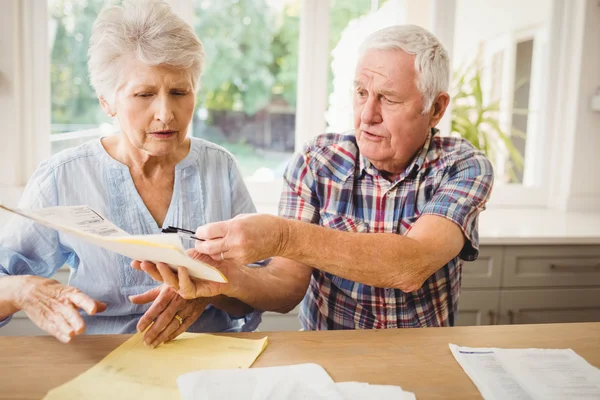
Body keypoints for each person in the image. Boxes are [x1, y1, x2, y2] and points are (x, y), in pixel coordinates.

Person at [134, 24, 494, 330]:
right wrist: (223, 277)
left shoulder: (462, 166)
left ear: (435, 109)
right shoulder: (317, 160)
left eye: (388, 99)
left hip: (422, 361)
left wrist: (283, 236)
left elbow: (412, 263)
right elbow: (285, 288)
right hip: (326, 359)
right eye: (361, 93)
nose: (367, 115)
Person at [0, 0, 259, 346]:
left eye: (179, 92)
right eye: (144, 94)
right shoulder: (63, 177)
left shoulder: (220, 167)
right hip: (103, 367)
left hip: (210, 367)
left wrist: (209, 291)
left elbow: (260, 290)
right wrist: (22, 289)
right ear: (107, 101)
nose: (166, 114)